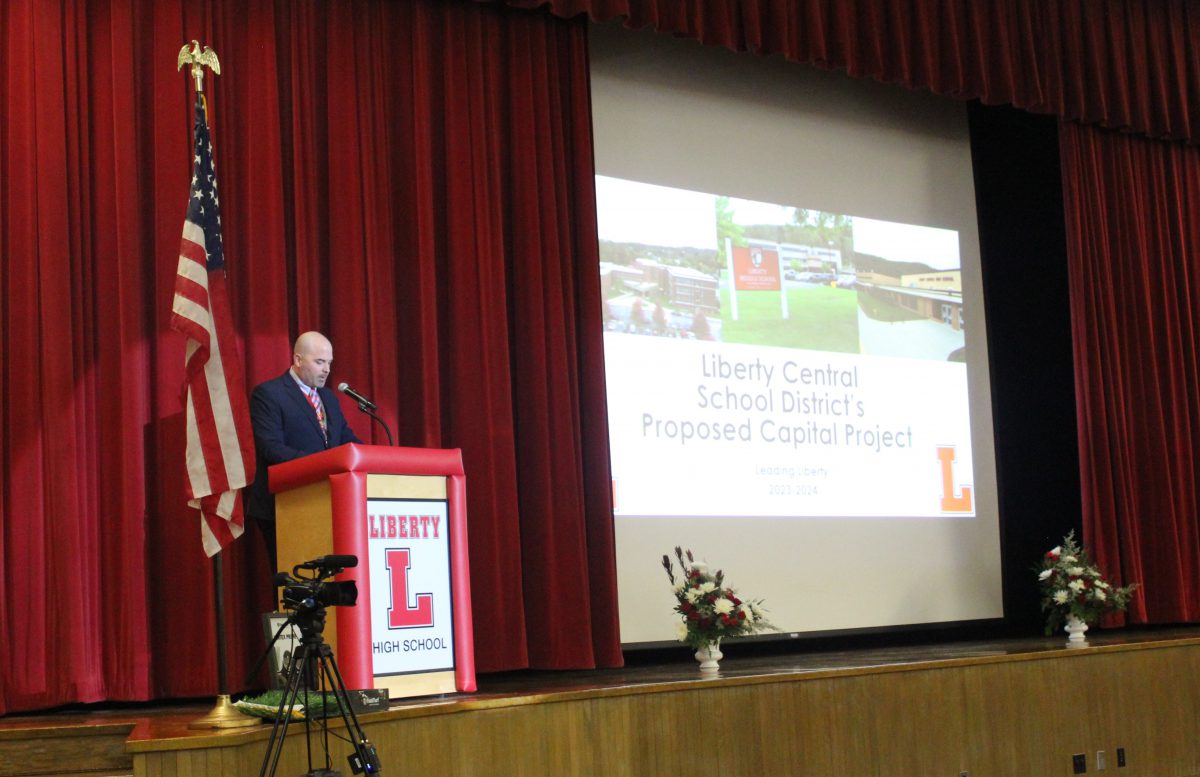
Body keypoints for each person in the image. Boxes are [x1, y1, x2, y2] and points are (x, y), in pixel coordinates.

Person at [247, 331, 362, 569]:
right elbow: (271, 448)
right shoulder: (269, 394)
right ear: (298, 360)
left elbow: (345, 439)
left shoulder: (328, 398)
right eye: (319, 362)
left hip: (326, 501)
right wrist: (321, 465)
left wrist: (369, 458)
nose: (327, 369)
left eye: (329, 363)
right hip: (285, 504)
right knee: (294, 576)